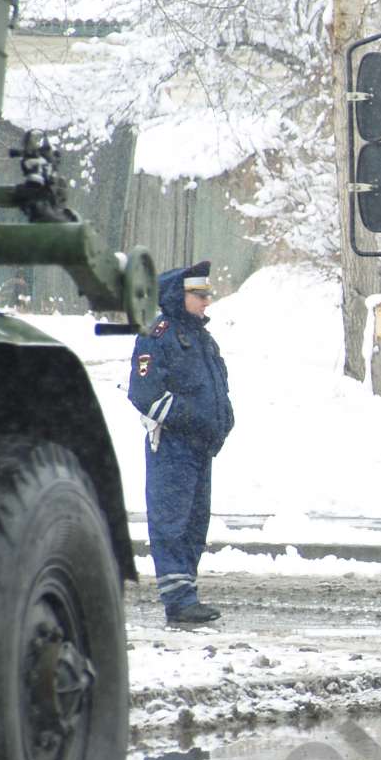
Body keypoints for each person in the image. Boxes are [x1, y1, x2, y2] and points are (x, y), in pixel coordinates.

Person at [128, 261, 234, 627]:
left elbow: (215, 385)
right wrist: (190, 419)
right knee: (171, 522)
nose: (206, 301)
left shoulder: (200, 338)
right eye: (199, 295)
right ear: (179, 294)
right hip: (173, 445)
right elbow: (145, 393)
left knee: (194, 523)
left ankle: (186, 594)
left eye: (206, 295)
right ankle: (178, 599)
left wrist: (222, 419)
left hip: (199, 446)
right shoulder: (157, 334)